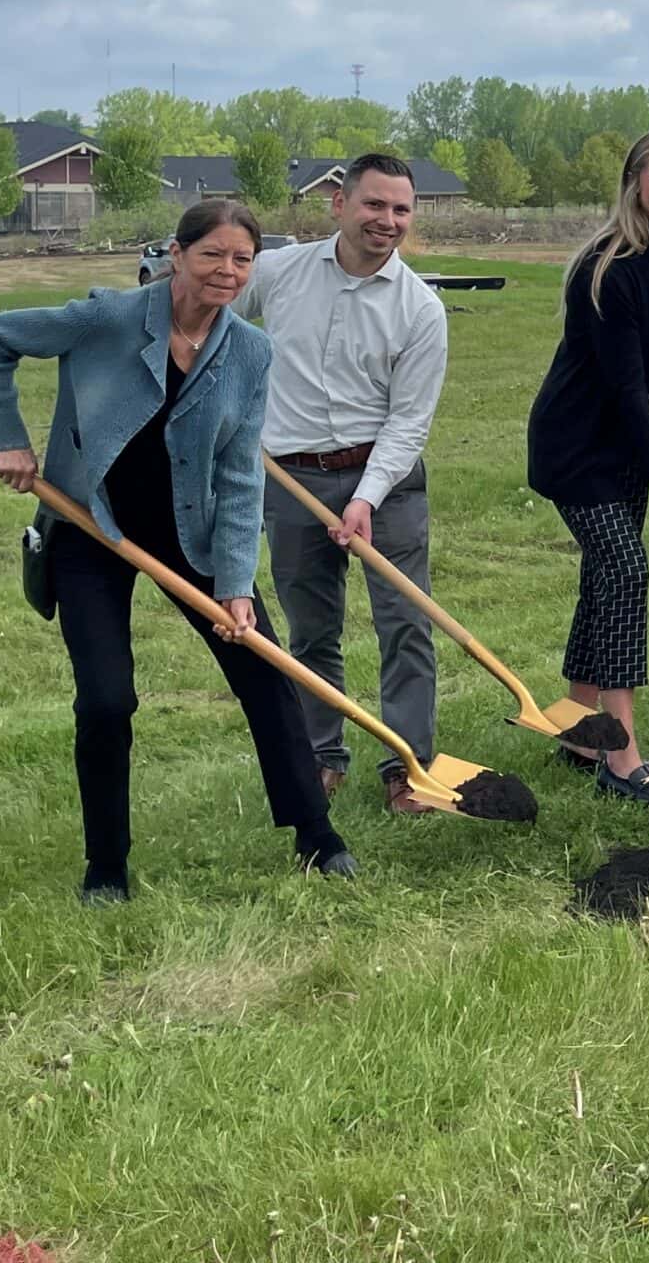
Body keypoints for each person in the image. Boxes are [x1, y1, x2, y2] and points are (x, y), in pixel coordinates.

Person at [0, 199, 350, 899]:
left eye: (242, 259)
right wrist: (6, 435)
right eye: (213, 254)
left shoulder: (249, 352)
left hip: (192, 532)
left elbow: (240, 478)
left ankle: (316, 834)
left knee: (266, 676)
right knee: (106, 701)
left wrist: (236, 584)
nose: (228, 270)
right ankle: (106, 867)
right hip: (92, 529)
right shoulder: (108, 319)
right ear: (176, 255)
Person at [235, 153, 451, 814]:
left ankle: (408, 767)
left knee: (405, 624)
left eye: (401, 210)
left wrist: (365, 498)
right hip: (289, 475)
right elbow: (209, 315)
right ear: (340, 202)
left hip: (383, 482)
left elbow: (409, 423)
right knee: (310, 630)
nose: (388, 221)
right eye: (375, 205)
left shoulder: (420, 309)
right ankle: (320, 756)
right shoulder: (278, 272)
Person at [525, 128, 649, 813]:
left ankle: (579, 731)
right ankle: (621, 753)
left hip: (626, 445)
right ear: (635, 183)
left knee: (605, 575)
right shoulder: (608, 267)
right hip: (578, 447)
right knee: (627, 572)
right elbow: (624, 387)